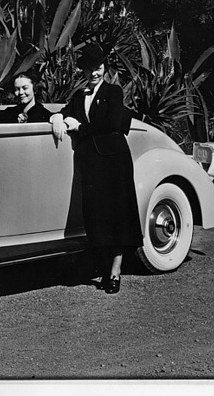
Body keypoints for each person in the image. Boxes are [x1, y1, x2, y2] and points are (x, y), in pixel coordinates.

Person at [50, 45, 143, 294]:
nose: (94, 73)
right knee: (97, 215)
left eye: (98, 68)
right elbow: (64, 112)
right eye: (90, 69)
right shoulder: (80, 96)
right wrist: (58, 119)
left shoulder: (113, 91)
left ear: (105, 69)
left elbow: (112, 122)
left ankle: (115, 270)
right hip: (91, 162)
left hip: (114, 160)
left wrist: (80, 128)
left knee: (118, 214)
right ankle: (103, 266)